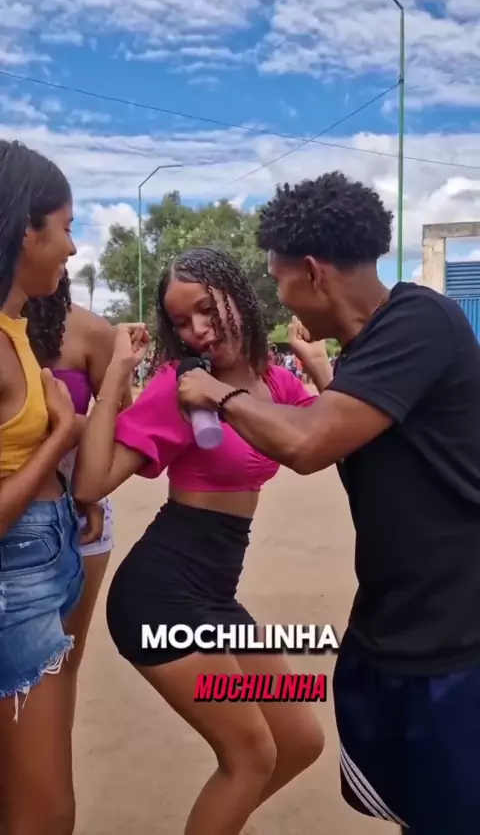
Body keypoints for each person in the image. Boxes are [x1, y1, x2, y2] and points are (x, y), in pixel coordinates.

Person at [175, 172, 480, 835]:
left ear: (312, 272)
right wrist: (317, 370)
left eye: (278, 279)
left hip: (451, 642)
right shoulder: (373, 348)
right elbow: (363, 437)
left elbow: (310, 442)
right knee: (420, 811)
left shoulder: (423, 319)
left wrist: (216, 395)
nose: (277, 295)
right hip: (392, 630)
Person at [73, 246, 332, 835]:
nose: (196, 330)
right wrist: (117, 372)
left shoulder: (274, 382)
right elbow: (91, 483)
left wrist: (317, 363)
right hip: (161, 599)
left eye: (206, 310)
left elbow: (334, 438)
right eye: (181, 320)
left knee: (299, 741)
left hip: (215, 596)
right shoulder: (182, 387)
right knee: (250, 756)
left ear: (237, 296)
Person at [0, 139, 96, 835]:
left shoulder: (15, 327)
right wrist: (60, 439)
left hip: (48, 561)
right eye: (63, 227)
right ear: (23, 230)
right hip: (16, 583)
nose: (71, 246)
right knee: (45, 813)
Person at [24, 270, 132, 690]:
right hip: (10, 513)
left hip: (82, 518)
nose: (69, 248)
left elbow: (122, 425)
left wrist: (89, 489)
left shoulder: (92, 331)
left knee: (62, 664)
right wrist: (68, 426)